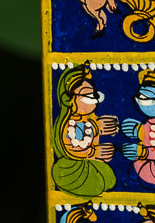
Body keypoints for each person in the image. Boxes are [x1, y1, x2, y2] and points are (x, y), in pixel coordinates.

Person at [50, 63, 118, 196]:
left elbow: (87, 133)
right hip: (72, 168)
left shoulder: (86, 120)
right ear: (68, 100)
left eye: (93, 95)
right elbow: (71, 148)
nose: (93, 99)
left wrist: (98, 127)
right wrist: (94, 152)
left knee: (108, 177)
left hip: (86, 162)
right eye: (87, 95)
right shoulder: (69, 124)